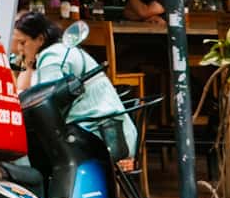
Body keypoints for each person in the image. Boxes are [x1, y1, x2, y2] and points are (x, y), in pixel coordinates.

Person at [9, 10, 137, 161]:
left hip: (102, 135)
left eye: (23, 43)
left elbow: (43, 102)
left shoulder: (53, 57)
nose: (19, 49)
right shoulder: (57, 50)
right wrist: (28, 61)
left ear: (40, 39)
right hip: (102, 130)